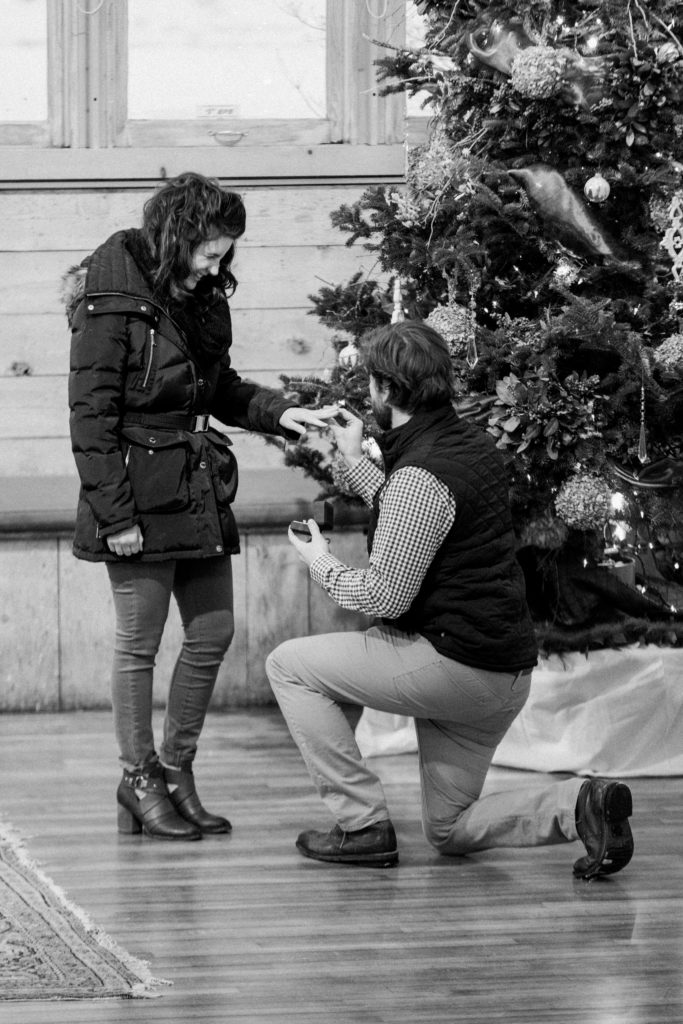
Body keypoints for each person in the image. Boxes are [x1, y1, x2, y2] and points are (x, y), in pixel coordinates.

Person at [266, 320, 634, 878]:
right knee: (449, 830)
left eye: (370, 382)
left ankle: (362, 826)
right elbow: (417, 510)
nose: (367, 393)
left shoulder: (421, 475)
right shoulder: (469, 444)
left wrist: (317, 559)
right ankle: (579, 805)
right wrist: (353, 458)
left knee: (290, 667)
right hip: (501, 672)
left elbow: (384, 596)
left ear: (387, 391)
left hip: (452, 666)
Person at [66, 171, 335, 841]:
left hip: (193, 485)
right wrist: (116, 515)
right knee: (138, 646)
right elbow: (90, 418)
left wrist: (283, 415)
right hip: (134, 492)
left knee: (212, 631)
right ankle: (137, 777)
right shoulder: (111, 301)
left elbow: (220, 387)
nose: (219, 264)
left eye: (226, 252)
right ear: (174, 237)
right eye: (210, 250)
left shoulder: (202, 295)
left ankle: (176, 767)